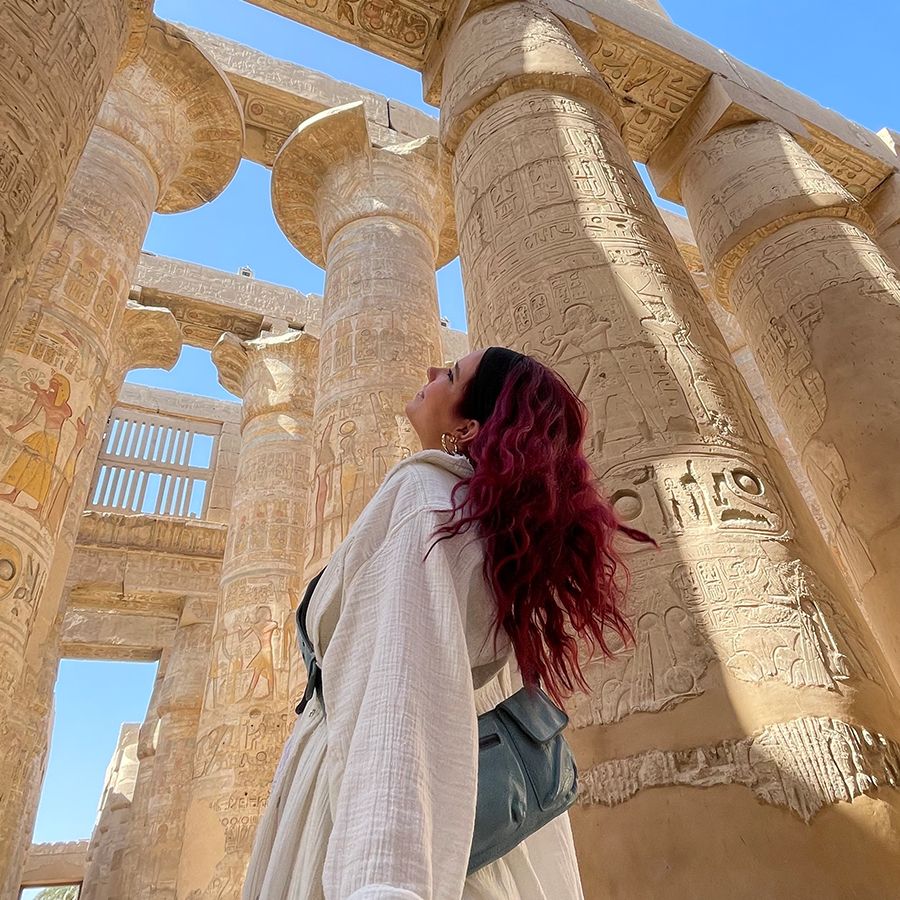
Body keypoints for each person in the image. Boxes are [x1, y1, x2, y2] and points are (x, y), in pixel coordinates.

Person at [243, 347, 652, 900]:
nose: (432, 372)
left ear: (468, 428)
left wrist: (384, 881)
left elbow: (396, 687)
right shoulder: (482, 526)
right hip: (462, 821)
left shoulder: (424, 500)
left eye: (451, 375)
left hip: (378, 811)